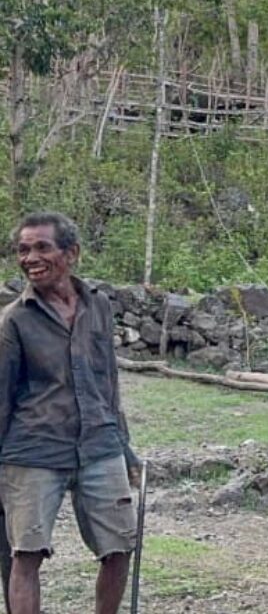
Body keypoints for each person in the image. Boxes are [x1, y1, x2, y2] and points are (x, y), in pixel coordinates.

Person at [0, 212, 139, 614]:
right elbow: (2, 398)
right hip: (33, 451)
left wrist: (124, 446)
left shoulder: (98, 306)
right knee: (25, 555)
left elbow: (108, 379)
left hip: (99, 445)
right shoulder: (14, 320)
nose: (30, 258)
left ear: (72, 253)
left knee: (119, 548)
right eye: (23, 250)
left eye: (42, 247)